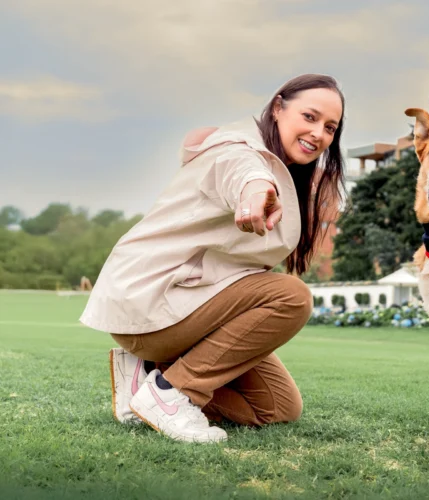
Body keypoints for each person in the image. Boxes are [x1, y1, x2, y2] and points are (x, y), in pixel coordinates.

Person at [80, 74, 346, 443]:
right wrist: (256, 189)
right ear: (278, 107)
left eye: (330, 127)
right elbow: (241, 171)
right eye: (310, 117)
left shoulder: (280, 167)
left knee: (278, 407)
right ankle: (172, 395)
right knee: (291, 296)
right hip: (155, 304)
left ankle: (145, 377)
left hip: (189, 305)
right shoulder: (238, 149)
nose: (319, 133)